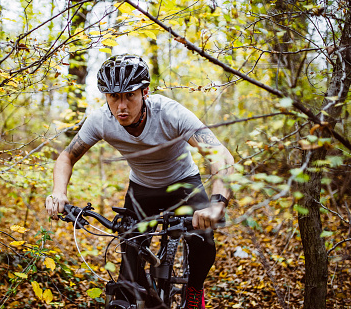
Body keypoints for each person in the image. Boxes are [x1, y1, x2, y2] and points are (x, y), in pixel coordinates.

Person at [46, 54, 234, 309]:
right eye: (114, 97)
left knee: (203, 238)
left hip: (183, 184)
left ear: (144, 92)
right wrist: (59, 192)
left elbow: (220, 154)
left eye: (129, 96)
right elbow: (66, 157)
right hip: (142, 190)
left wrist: (217, 203)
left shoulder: (170, 113)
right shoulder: (101, 120)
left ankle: (194, 289)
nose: (121, 106)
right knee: (128, 267)